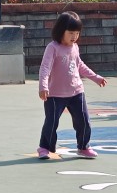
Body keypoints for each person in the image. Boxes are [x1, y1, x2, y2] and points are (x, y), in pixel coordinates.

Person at [37, 11, 107, 159]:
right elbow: (45, 68)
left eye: (77, 33)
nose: (74, 36)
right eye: (71, 33)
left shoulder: (75, 47)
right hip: (55, 94)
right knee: (51, 122)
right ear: (61, 31)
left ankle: (83, 147)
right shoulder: (53, 47)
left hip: (76, 92)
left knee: (84, 121)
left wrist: (95, 77)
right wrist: (43, 86)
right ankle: (44, 147)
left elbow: (79, 65)